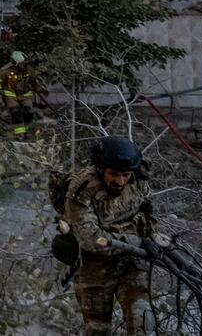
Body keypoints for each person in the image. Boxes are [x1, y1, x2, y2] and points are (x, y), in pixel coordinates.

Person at [59, 135, 156, 336]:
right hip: (95, 268)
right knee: (97, 331)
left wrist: (155, 240)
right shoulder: (81, 189)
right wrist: (138, 241)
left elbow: (147, 216)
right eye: (114, 174)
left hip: (131, 264)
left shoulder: (137, 181)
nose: (120, 181)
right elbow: (92, 240)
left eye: (125, 175)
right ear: (101, 169)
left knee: (145, 327)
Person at [0, 50, 40, 136]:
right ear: (15, 63)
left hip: (25, 94)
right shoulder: (5, 71)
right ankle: (19, 134)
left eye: (25, 63)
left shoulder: (29, 70)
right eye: (22, 63)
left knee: (28, 112)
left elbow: (34, 82)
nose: (24, 65)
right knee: (15, 112)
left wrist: (39, 88)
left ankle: (28, 132)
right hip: (11, 94)